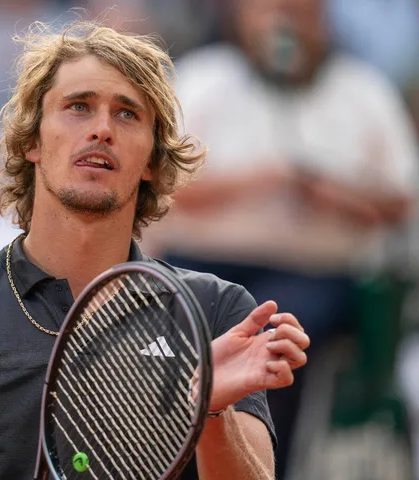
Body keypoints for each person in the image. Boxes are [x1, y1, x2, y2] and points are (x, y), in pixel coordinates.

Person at [0, 20, 310, 479]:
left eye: (127, 114)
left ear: (152, 162)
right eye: (78, 106)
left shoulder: (215, 313)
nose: (102, 128)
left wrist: (210, 411)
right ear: (31, 142)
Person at [143, 0, 418, 477]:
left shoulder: (362, 92)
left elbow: (400, 202)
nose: (285, 25)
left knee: (274, 338)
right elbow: (161, 184)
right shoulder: (204, 80)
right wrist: (265, 180)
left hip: (317, 274)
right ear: (243, 18)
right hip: (200, 264)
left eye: (301, 13)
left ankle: (262, 468)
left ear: (323, 21)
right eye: (270, 11)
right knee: (165, 327)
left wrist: (328, 192)